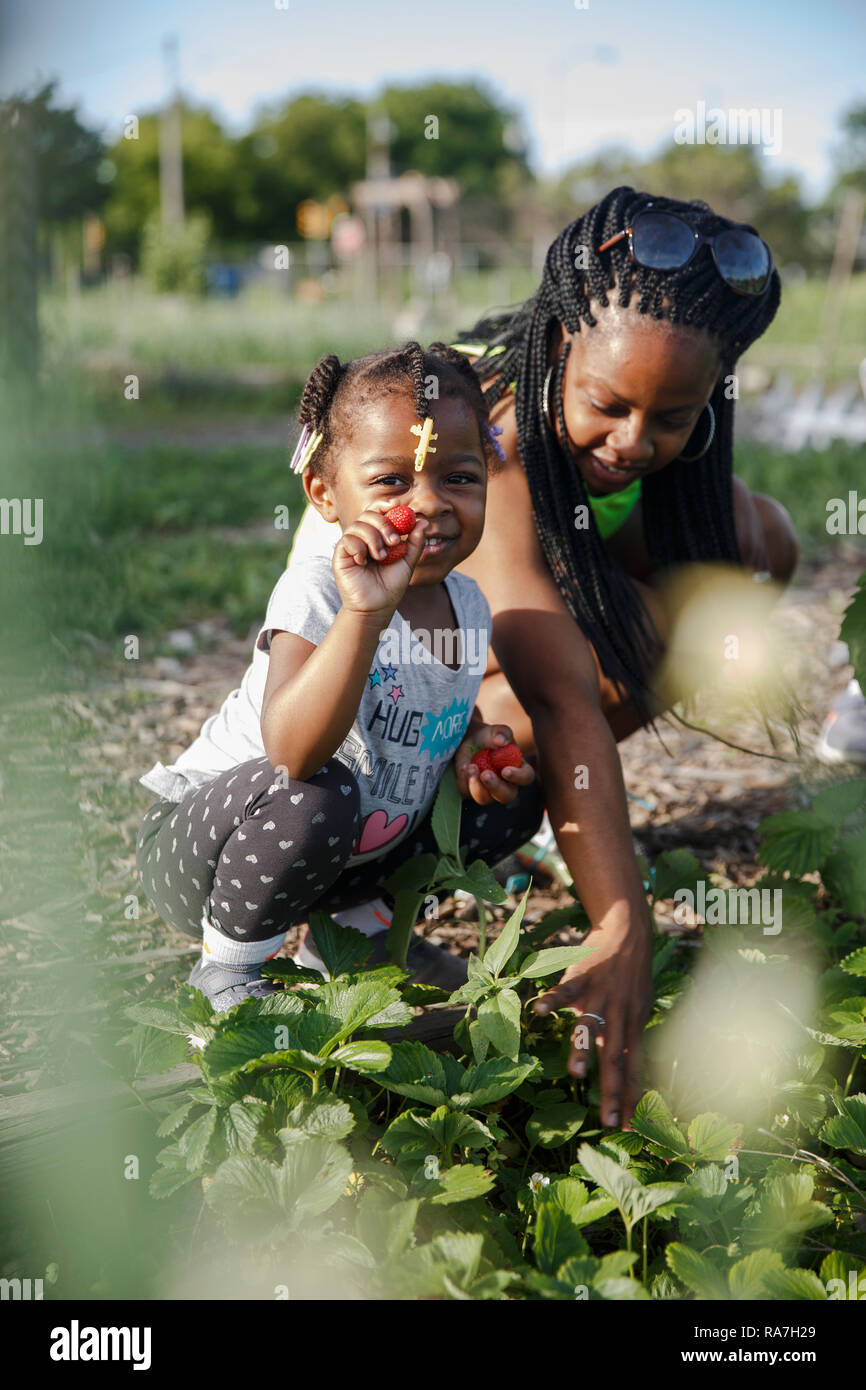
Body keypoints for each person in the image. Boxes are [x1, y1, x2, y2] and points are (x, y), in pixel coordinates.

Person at [287, 187, 799, 1129]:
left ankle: (577, 822)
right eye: (608, 405)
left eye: (674, 416)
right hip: (370, 695)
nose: (635, 442)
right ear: (560, 344)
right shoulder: (487, 444)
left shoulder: (639, 432)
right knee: (549, 707)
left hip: (499, 632)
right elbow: (562, 695)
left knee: (754, 546)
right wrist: (622, 922)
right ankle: (369, 901)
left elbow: (711, 551)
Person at [135, 342, 539, 1011]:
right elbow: (293, 754)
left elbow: (438, 706)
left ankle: (353, 940)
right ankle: (227, 972)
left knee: (520, 793)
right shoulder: (321, 593)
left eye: (460, 478)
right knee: (318, 792)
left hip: (338, 859)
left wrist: (472, 747)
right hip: (210, 852)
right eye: (392, 482)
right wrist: (364, 615)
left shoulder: (468, 604)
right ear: (324, 494)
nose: (429, 503)